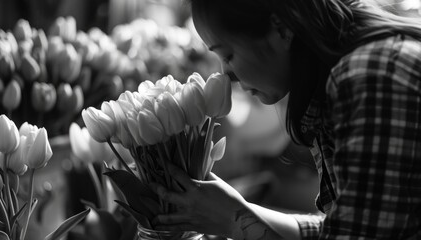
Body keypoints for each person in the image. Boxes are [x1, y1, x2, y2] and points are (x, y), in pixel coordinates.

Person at [150, 0, 421, 239]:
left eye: (228, 55)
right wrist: (237, 213)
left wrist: (236, 222)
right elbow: (342, 228)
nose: (225, 74)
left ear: (281, 29)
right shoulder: (337, 75)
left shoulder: (371, 77)